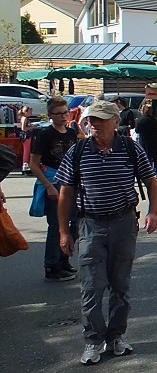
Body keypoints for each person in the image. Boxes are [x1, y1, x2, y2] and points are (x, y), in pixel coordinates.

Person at [56, 99, 157, 365]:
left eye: (101, 119)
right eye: (92, 119)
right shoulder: (78, 151)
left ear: (116, 121)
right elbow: (66, 192)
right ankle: (92, 341)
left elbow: (150, 181)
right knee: (92, 286)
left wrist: (152, 212)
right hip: (90, 225)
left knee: (120, 285)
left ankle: (115, 337)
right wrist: (64, 232)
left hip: (124, 222)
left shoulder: (129, 148)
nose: (95, 124)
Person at [30, 96, 79, 281]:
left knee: (74, 223)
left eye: (66, 112)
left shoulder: (71, 133)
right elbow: (34, 164)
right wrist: (49, 186)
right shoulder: (44, 135)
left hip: (71, 182)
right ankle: (51, 266)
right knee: (56, 226)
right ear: (50, 115)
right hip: (54, 180)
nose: (63, 116)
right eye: (59, 114)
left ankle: (64, 259)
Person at [133, 100, 157, 176]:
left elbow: (137, 131)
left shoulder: (140, 120)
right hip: (154, 140)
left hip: (144, 141)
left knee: (147, 157)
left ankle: (149, 172)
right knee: (155, 157)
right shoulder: (154, 119)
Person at [19, 104, 35, 174]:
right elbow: (23, 128)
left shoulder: (23, 118)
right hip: (27, 136)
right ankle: (25, 165)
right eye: (30, 112)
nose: (31, 114)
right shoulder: (24, 118)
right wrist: (32, 127)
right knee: (27, 151)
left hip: (27, 136)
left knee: (27, 151)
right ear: (26, 112)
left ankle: (25, 164)